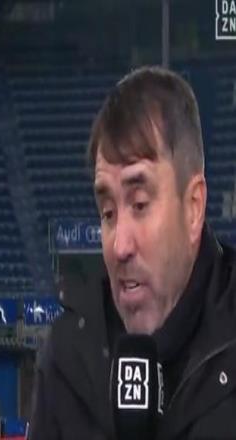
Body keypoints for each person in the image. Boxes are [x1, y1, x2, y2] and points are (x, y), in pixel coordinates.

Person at [29, 66, 236, 439]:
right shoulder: (67, 359)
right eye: (108, 213)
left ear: (193, 207)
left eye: (139, 204)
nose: (119, 246)